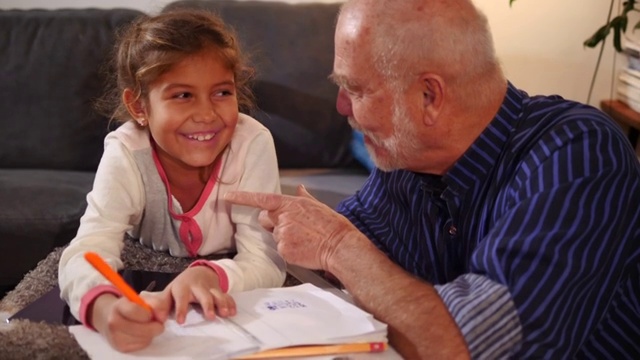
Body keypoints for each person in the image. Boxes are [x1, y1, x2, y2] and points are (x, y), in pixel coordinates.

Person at [224, 0, 640, 358]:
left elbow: (472, 348)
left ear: (429, 97)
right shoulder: (408, 157)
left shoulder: (579, 154)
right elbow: (343, 258)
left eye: (356, 89)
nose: (340, 106)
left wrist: (336, 246)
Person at [58, 9, 286, 352]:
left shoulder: (252, 144)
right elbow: (87, 249)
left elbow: (265, 260)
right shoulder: (126, 152)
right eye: (183, 95)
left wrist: (212, 275)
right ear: (139, 107)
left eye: (222, 93)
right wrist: (105, 310)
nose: (207, 114)